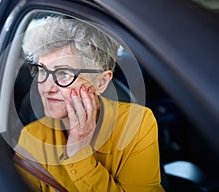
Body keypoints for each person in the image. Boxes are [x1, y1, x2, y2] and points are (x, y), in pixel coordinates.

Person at [14, 16, 165, 191]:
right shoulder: (31, 138)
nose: (46, 87)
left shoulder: (136, 124)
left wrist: (79, 152)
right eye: (41, 70)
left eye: (63, 73)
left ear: (101, 82)